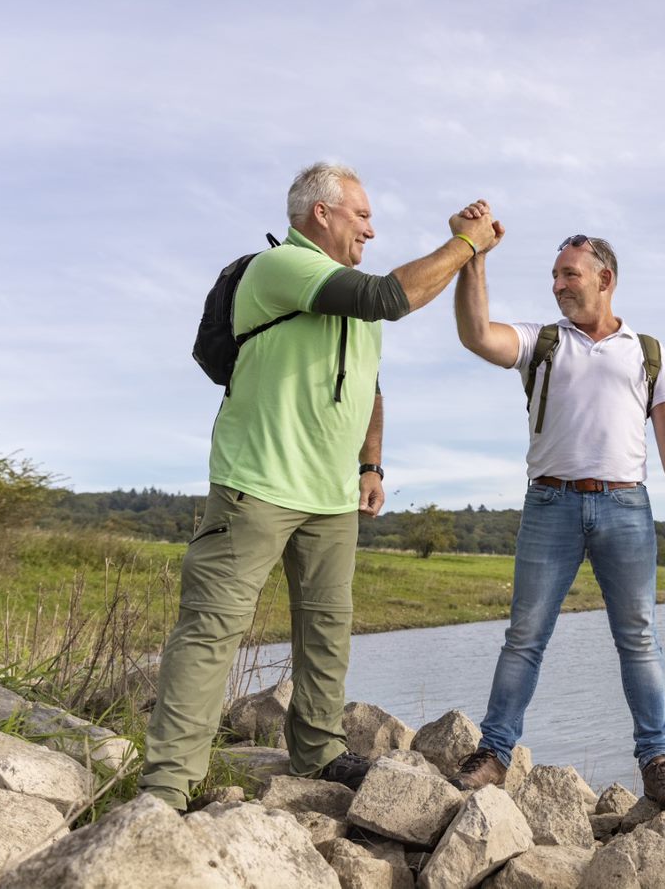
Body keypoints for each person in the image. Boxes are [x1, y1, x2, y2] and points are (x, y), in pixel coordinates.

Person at [139, 163, 500, 811]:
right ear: (321, 214)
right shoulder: (282, 268)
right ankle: (167, 784)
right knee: (213, 626)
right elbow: (388, 297)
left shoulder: (348, 296)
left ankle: (318, 749)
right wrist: (465, 242)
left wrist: (371, 466)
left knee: (326, 630)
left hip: (331, 497)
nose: (371, 226)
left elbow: (370, 385)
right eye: (360, 214)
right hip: (257, 480)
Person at [450, 212, 665, 808]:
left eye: (570, 275)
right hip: (551, 504)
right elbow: (476, 334)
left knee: (639, 638)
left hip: (626, 507)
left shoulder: (648, 352)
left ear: (605, 278)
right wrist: (474, 257)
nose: (559, 285)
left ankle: (657, 762)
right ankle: (494, 752)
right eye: (555, 277)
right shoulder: (542, 342)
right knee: (525, 636)